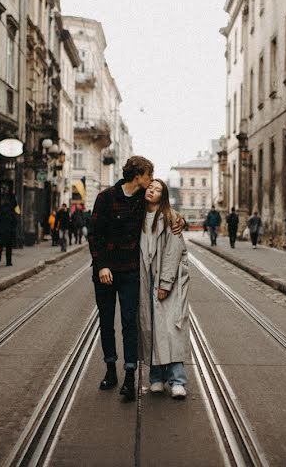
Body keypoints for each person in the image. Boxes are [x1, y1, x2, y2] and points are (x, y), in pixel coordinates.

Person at [90, 156, 185, 403]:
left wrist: (179, 220)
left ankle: (130, 377)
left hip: (130, 272)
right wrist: (102, 266)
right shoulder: (106, 198)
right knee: (107, 322)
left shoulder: (143, 203)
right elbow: (95, 235)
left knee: (130, 323)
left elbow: (162, 213)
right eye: (149, 176)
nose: (151, 180)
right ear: (138, 176)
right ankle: (111, 370)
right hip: (105, 272)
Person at [138, 179, 191, 400]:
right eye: (150, 187)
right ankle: (156, 378)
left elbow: (174, 251)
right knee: (150, 329)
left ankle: (177, 380)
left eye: (158, 189)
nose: (152, 190)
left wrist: (166, 283)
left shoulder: (171, 218)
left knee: (171, 329)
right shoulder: (137, 216)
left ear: (164, 195)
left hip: (166, 279)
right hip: (145, 279)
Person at [0, 200, 18, 267]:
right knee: (8, 248)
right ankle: (8, 262)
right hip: (9, 233)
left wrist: (1, 225)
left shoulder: (0, 213)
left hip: (0, 233)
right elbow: (15, 223)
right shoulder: (11, 213)